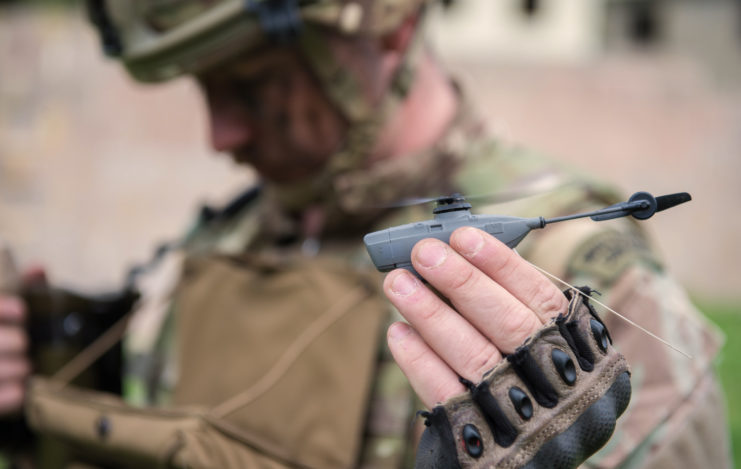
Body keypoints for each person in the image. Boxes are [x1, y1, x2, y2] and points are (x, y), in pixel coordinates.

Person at [0, 0, 732, 467]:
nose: (219, 134)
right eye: (203, 88)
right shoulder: (229, 236)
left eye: (255, 85)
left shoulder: (572, 271)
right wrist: (48, 373)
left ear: (391, 26)